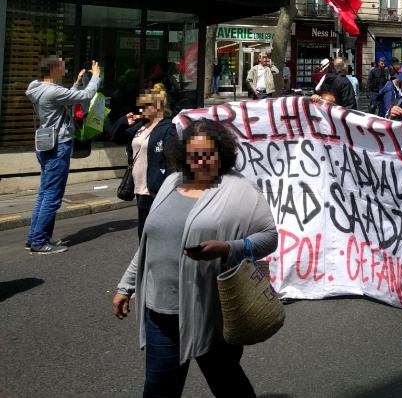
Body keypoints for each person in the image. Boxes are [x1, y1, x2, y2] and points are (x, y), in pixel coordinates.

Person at [113, 120, 277, 397]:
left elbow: (269, 237)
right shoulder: (169, 183)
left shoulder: (240, 190)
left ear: (221, 153)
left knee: (228, 385)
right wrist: (125, 286)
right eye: (193, 154)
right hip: (160, 312)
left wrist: (227, 248)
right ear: (183, 155)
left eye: (208, 154)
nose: (200, 161)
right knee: (158, 390)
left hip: (209, 311)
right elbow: (150, 241)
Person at [25, 55, 103, 254]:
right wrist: (96, 77)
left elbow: (66, 98)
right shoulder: (52, 91)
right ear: (53, 70)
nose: (65, 70)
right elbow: (86, 97)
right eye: (62, 67)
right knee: (52, 195)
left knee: (44, 193)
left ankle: (35, 237)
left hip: (45, 144)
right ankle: (40, 241)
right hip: (58, 145)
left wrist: (76, 84)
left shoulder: (39, 88)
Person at [111, 83, 178, 238]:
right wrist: (123, 121)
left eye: (146, 106)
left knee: (149, 231)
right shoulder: (140, 126)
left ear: (158, 106)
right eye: (141, 106)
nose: (142, 109)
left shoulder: (168, 128)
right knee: (144, 230)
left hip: (155, 186)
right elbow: (115, 137)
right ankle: (145, 259)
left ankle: (148, 260)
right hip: (138, 185)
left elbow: (172, 160)